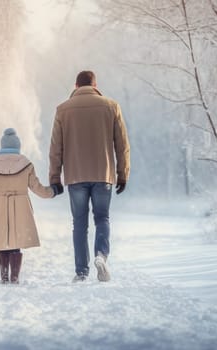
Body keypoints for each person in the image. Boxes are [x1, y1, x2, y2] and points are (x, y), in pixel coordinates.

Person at [49, 70, 130, 283]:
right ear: (95, 85)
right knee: (102, 218)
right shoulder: (111, 106)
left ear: (76, 86)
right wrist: (123, 174)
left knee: (79, 224)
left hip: (75, 176)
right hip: (103, 174)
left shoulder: (62, 110)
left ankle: (81, 271)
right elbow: (122, 145)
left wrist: (54, 178)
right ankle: (101, 255)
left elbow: (56, 148)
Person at [0, 128, 61, 284]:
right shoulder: (26, 163)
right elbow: (38, 189)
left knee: (2, 242)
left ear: (2, 146)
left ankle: (4, 276)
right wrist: (53, 191)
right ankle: (14, 277)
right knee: (16, 243)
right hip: (21, 207)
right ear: (18, 146)